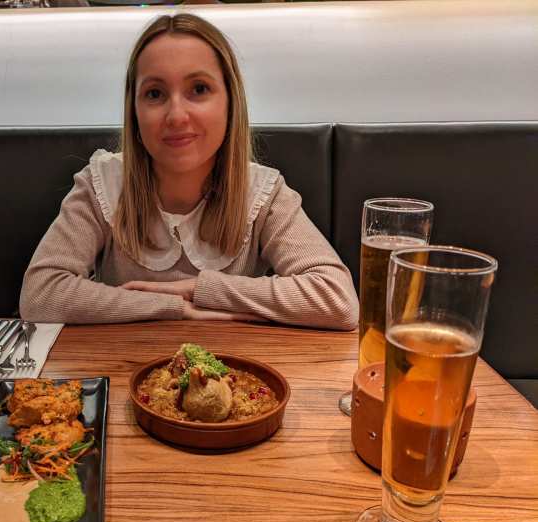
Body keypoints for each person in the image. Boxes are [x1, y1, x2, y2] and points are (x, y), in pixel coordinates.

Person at [19, 13, 358, 329]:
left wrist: (200, 288)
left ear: (230, 103)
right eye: (155, 93)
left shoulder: (264, 193)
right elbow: (40, 295)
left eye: (199, 89)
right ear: (135, 112)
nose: (177, 115)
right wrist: (174, 308)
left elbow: (337, 299)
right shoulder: (102, 184)